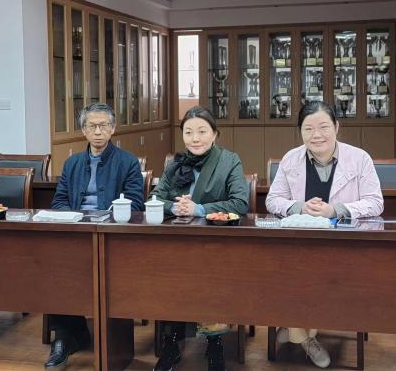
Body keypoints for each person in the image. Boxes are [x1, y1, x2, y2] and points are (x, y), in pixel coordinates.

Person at [265, 100, 383, 368]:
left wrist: (335, 210)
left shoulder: (359, 158)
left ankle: (295, 331)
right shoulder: (291, 159)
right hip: (298, 244)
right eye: (308, 129)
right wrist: (298, 206)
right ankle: (303, 336)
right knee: (286, 272)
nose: (316, 135)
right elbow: (273, 200)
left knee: (322, 277)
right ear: (300, 132)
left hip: (342, 245)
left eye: (323, 127)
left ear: (336, 127)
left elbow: (376, 203)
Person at [44, 103, 145, 369]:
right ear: (83, 130)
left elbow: (136, 204)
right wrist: (74, 219)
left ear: (113, 129)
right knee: (54, 266)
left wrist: (107, 217)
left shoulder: (128, 162)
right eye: (92, 126)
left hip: (113, 238)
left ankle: (106, 340)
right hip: (77, 235)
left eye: (103, 126)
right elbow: (59, 201)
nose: (98, 131)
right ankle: (65, 337)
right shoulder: (72, 163)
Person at [150, 106, 249, 371]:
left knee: (208, 273)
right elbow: (155, 198)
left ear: (215, 134)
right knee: (165, 272)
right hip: (177, 241)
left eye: (202, 131)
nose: (195, 138)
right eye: (189, 132)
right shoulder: (176, 163)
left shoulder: (229, 161)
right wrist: (175, 207)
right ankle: (172, 340)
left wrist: (199, 209)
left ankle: (214, 343)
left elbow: (240, 203)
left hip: (215, 241)